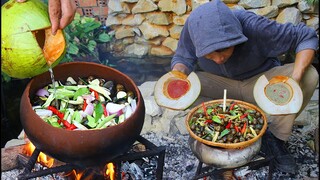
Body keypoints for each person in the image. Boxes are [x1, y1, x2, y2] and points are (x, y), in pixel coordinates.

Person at [171, 0, 319, 174]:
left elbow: (306, 36)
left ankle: (275, 139)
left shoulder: (255, 27)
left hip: (259, 83)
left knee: (309, 76)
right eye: (210, 54)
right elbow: (182, 58)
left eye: (223, 50)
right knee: (185, 86)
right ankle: (218, 124)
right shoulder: (193, 28)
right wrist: (177, 75)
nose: (218, 59)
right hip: (220, 84)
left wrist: (294, 79)